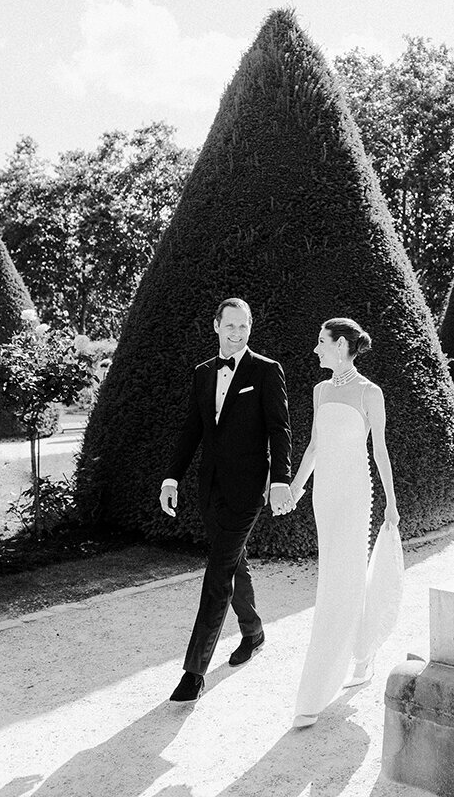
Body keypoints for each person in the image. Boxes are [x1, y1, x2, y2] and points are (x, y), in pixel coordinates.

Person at [159, 297, 294, 703]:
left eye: (244, 327)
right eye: (230, 326)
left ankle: (193, 672)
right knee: (234, 563)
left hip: (248, 490)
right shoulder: (202, 374)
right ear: (216, 325)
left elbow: (279, 429)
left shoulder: (266, 371)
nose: (237, 334)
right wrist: (171, 477)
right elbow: (190, 430)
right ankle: (252, 632)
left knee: (217, 574)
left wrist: (281, 480)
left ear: (250, 328)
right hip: (210, 489)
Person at [288, 317, 399, 728]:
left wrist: (391, 500)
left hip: (355, 494)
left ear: (340, 346)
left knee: (343, 580)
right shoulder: (319, 391)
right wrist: (297, 489)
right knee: (334, 577)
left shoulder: (371, 392)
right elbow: (315, 446)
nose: (315, 348)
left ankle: (318, 689)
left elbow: (381, 450)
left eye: (321, 341)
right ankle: (363, 652)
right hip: (324, 496)